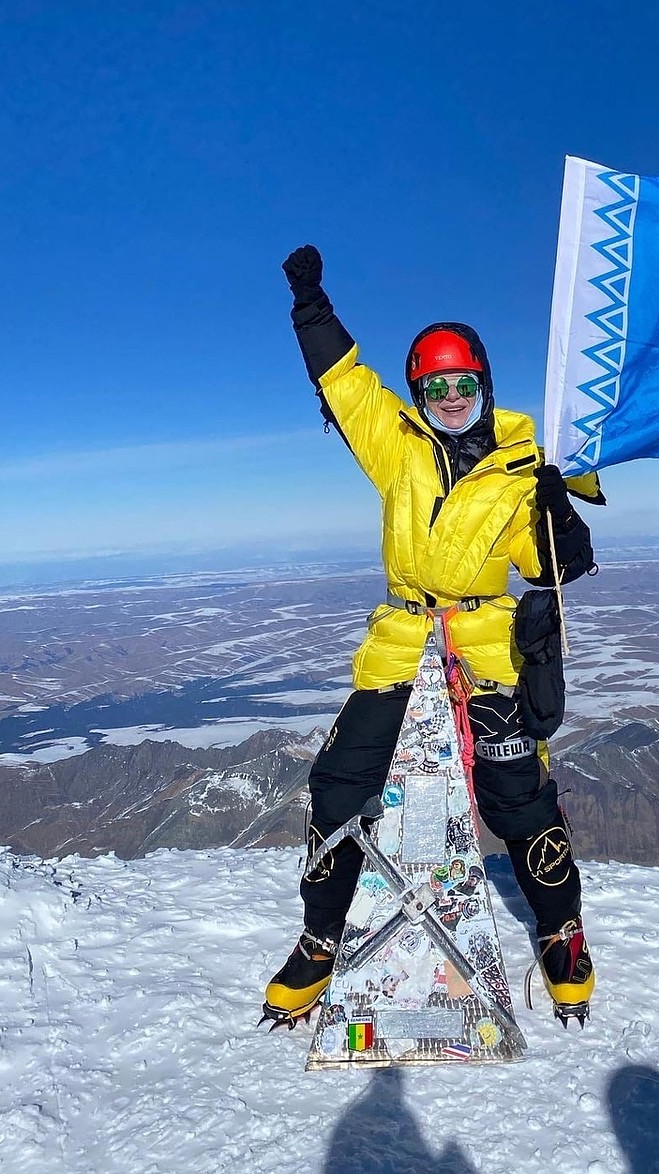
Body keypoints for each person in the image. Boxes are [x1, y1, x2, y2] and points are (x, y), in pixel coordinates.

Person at [262, 245, 603, 1029]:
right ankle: (321, 938)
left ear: (485, 385)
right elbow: (347, 386)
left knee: (518, 797)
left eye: (464, 384)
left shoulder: (526, 466)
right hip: (400, 642)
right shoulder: (398, 448)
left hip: (485, 648)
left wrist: (560, 521)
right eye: (436, 387)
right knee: (340, 787)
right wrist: (312, 306)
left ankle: (560, 931)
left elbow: (544, 561)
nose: (452, 398)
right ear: (420, 393)